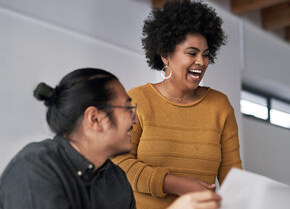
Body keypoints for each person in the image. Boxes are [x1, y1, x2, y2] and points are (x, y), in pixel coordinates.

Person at [0, 68, 221, 209]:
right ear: (95, 118)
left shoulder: (116, 180)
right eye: (127, 108)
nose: (135, 119)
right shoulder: (35, 168)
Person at [112, 0, 242, 209]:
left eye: (206, 55)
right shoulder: (138, 100)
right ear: (165, 55)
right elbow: (119, 163)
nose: (201, 61)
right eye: (191, 53)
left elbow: (233, 176)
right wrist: (175, 183)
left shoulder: (220, 106)